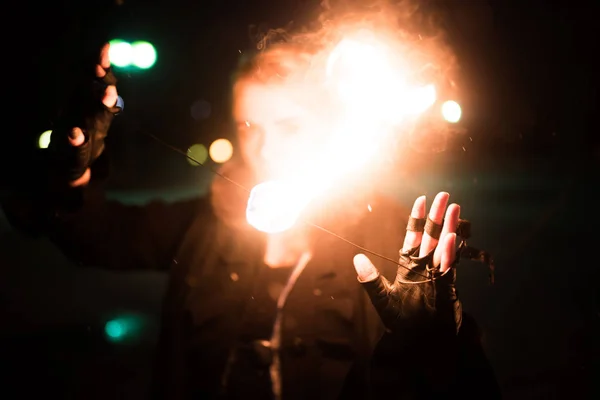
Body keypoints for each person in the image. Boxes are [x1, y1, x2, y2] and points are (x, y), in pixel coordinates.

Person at [2, 36, 500, 399]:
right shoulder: (211, 220)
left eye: (289, 125)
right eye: (250, 125)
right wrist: (74, 173)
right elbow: (99, 237)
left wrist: (438, 346)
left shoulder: (388, 240)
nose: (265, 146)